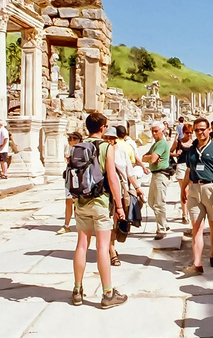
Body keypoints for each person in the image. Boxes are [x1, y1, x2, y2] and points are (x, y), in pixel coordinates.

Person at [71, 112, 128, 309]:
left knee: (81, 244)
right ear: (103, 127)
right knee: (103, 247)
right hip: (101, 201)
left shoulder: (76, 147)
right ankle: (108, 293)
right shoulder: (106, 147)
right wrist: (119, 206)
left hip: (81, 201)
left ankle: (77, 290)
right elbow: (112, 179)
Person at [179, 117, 213, 275]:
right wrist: (183, 188)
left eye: (202, 129)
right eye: (197, 130)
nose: (200, 132)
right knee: (197, 226)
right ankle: (197, 262)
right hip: (195, 188)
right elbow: (189, 170)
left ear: (208, 130)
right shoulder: (192, 150)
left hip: (211, 187)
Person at [106, 126, 144, 267]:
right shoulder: (101, 150)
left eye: (112, 138)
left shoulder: (122, 150)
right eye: (107, 138)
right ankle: (112, 251)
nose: (110, 141)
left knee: (120, 221)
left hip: (121, 191)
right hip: (105, 192)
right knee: (110, 222)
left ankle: (112, 246)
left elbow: (129, 172)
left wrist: (137, 188)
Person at [142, 121, 172, 240]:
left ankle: (161, 229)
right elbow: (144, 157)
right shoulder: (155, 144)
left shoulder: (161, 144)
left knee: (159, 203)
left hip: (161, 175)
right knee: (151, 201)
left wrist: (151, 158)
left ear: (162, 131)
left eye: (156, 131)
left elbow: (152, 158)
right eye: (152, 131)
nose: (154, 134)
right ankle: (164, 223)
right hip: (155, 175)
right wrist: (150, 158)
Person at [58, 132, 83, 234]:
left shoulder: (80, 150)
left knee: (76, 202)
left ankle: (76, 224)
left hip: (77, 178)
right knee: (69, 201)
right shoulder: (70, 149)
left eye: (70, 139)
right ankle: (67, 224)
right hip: (70, 177)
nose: (68, 141)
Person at [170, 123, 194, 224]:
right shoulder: (178, 142)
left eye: (190, 133)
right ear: (183, 132)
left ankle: (191, 212)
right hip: (181, 166)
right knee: (184, 190)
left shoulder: (194, 142)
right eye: (187, 133)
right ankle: (184, 214)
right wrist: (176, 153)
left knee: (191, 192)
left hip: (191, 167)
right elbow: (169, 152)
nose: (189, 134)